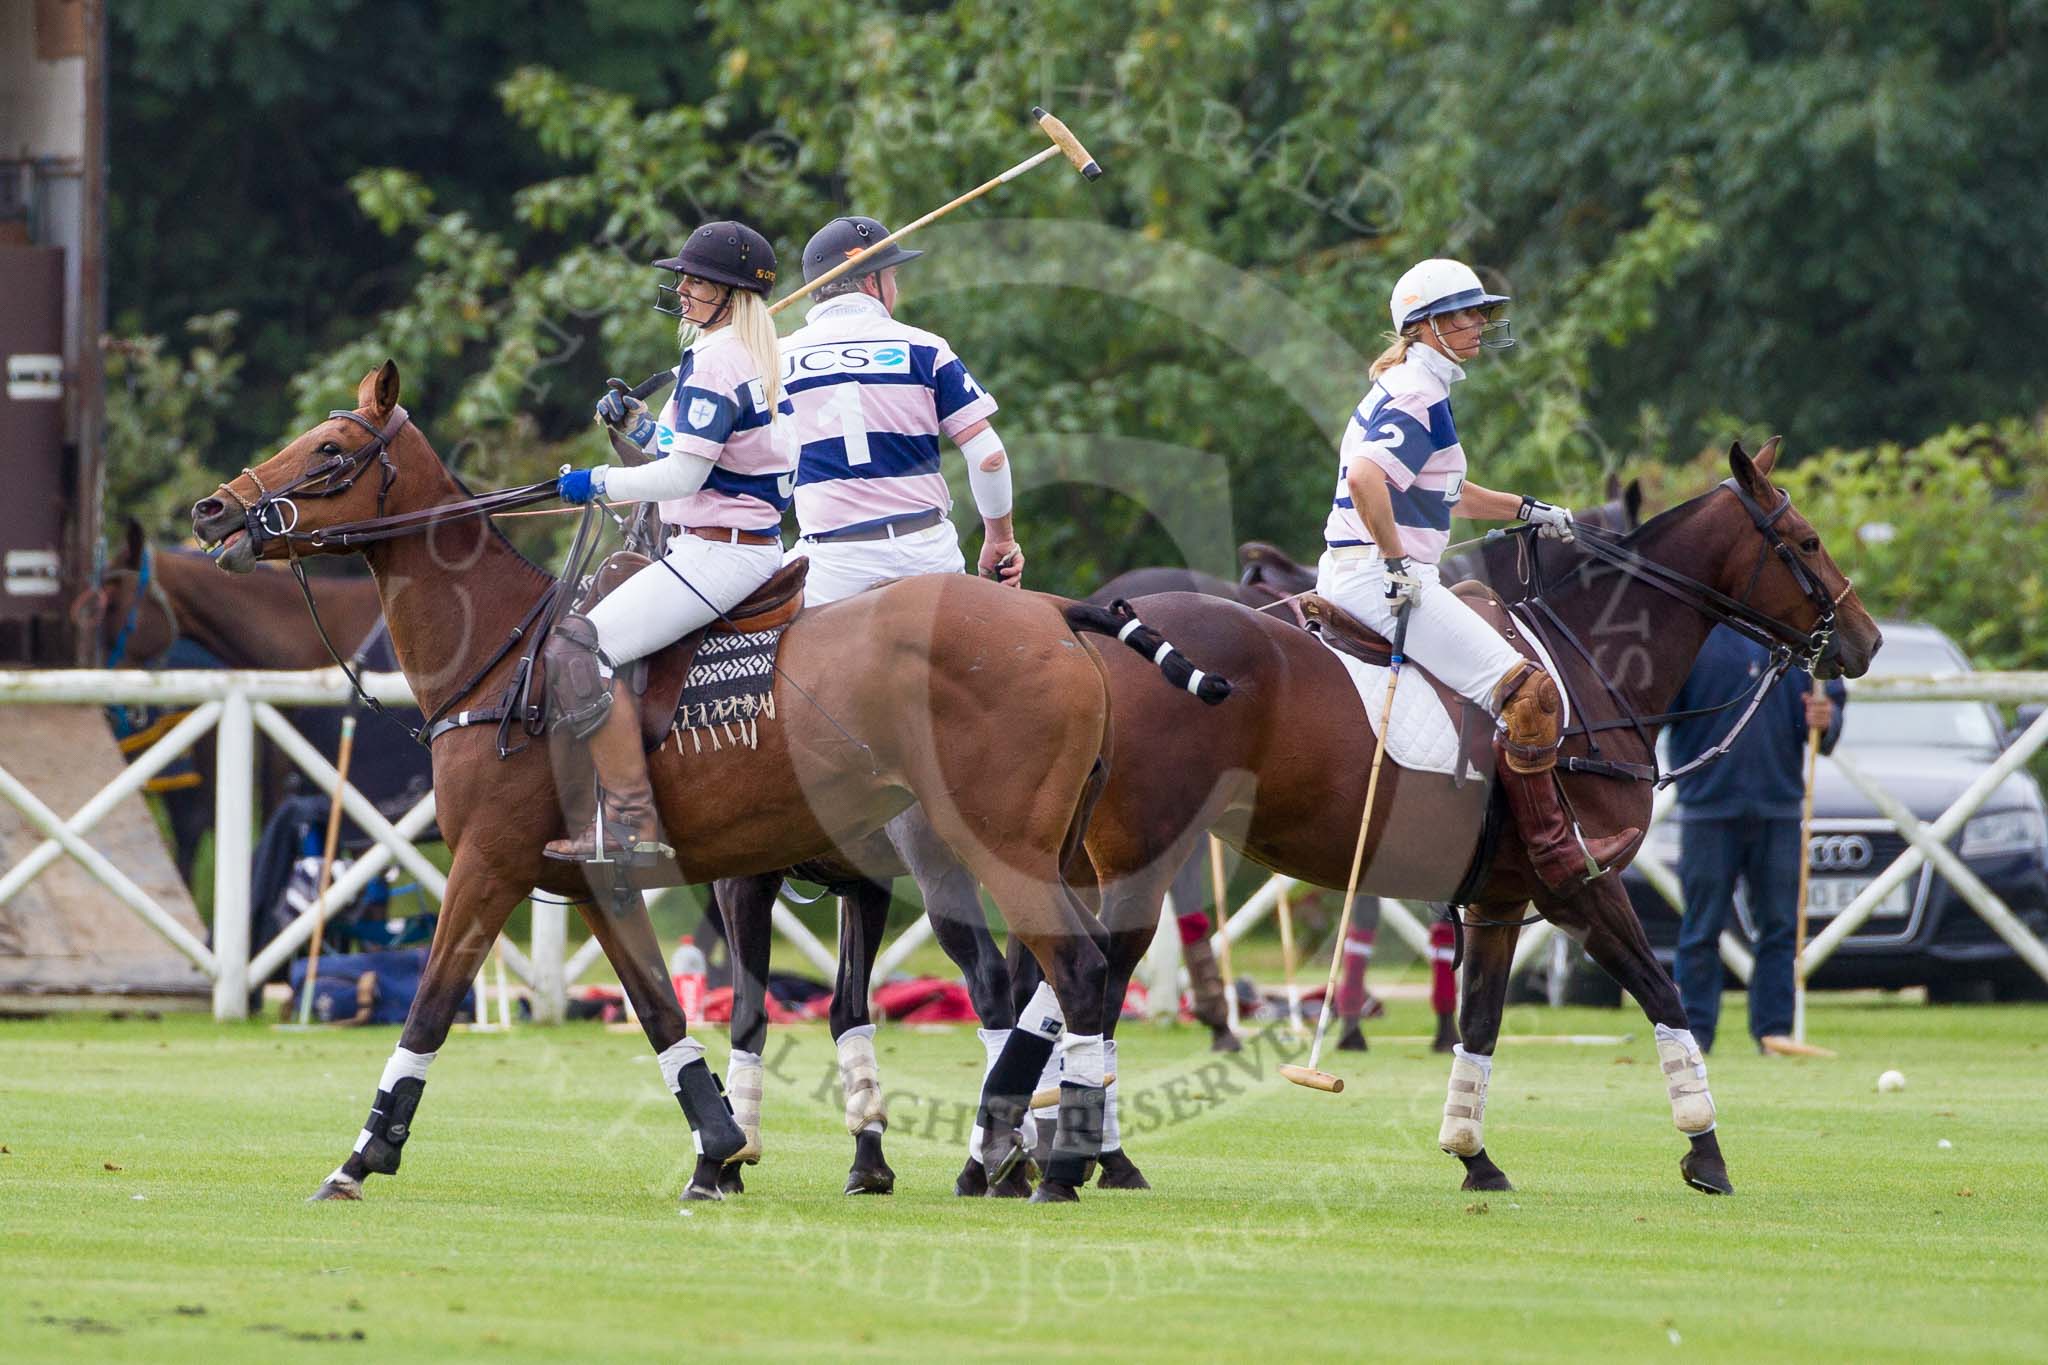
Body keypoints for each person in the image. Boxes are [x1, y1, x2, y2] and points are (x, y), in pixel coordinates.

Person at [1316, 257, 1639, 893]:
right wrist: (1395, 562)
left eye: (1479, 313)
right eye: (1463, 314)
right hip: (1382, 580)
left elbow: (1447, 491)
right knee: (1531, 693)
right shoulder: (1419, 390)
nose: (1478, 324)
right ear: (1426, 326)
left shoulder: (1411, 385)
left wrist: (1527, 509)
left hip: (1359, 571)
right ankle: (1554, 850)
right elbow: (1364, 478)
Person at [546, 219, 796, 865]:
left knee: (577, 650)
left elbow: (684, 475)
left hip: (719, 548)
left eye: (697, 280)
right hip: (739, 539)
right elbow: (703, 453)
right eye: (683, 277)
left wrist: (595, 479)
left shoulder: (717, 361)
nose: (682, 288)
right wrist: (642, 426)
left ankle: (631, 822)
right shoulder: (751, 354)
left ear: (730, 294)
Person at [778, 214, 1023, 599]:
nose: (896, 289)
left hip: (834, 565)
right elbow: (989, 457)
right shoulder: (926, 348)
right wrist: (1000, 539)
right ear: (872, 281)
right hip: (929, 554)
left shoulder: (775, 359)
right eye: (892, 276)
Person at [1668, 625, 1846, 1052]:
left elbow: (1828, 716)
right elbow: (1662, 708)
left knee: (1781, 925)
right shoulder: (1696, 633)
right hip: (1708, 805)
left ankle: (1774, 1032)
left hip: (1780, 805)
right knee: (1701, 925)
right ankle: (1694, 1035)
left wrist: (1827, 719)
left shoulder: (1803, 638)